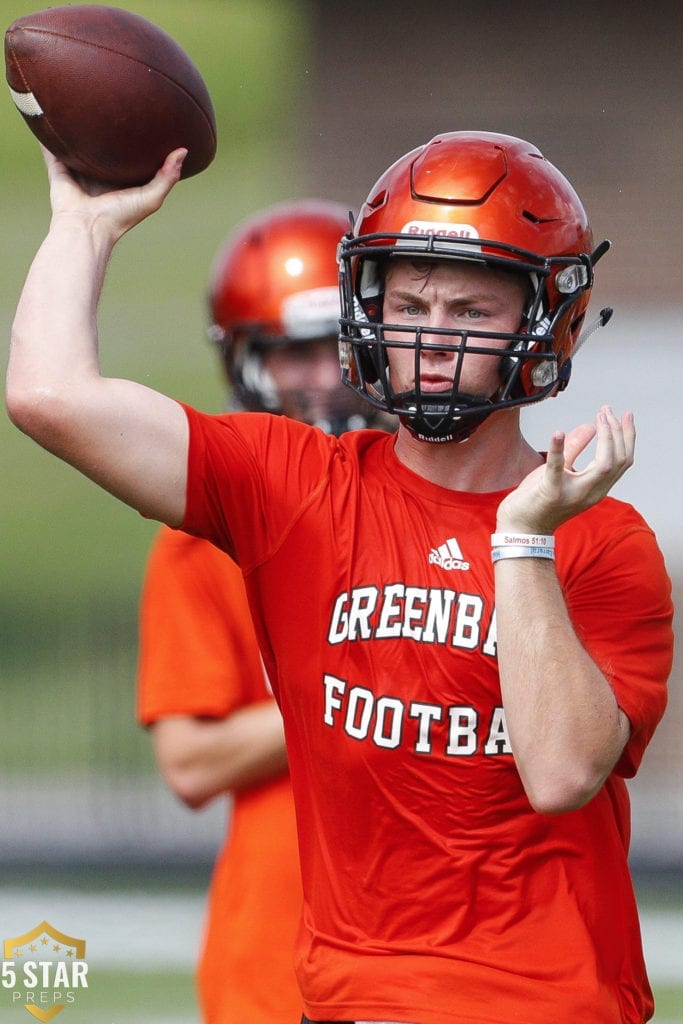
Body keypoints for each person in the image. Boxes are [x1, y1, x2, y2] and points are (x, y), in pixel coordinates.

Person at [7, 131, 674, 1024]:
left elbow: (558, 773)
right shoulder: (297, 486)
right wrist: (84, 227)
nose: (431, 339)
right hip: (355, 999)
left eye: (470, 312)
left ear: (541, 324)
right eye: (410, 304)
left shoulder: (604, 540)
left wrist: (520, 541)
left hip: (551, 1001)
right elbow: (48, 397)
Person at [136, 199, 389, 1024]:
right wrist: (364, 687)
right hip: (278, 941)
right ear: (250, 363)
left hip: (437, 930)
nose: (322, 379)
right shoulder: (201, 536)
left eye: (340, 350)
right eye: (295, 355)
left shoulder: (442, 502)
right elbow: (190, 761)